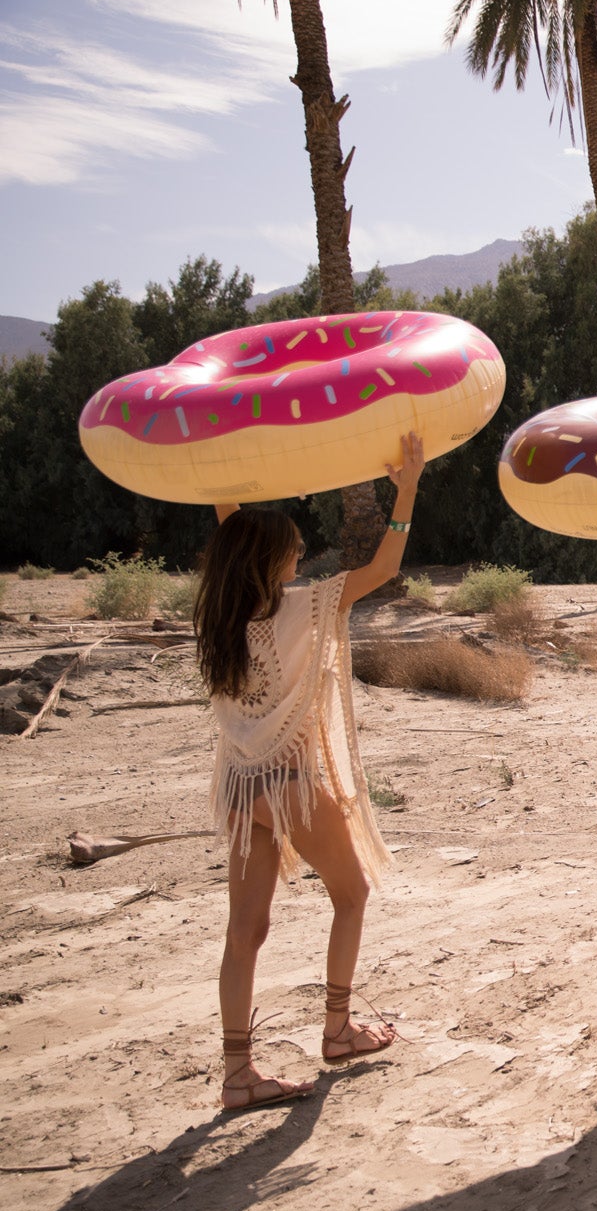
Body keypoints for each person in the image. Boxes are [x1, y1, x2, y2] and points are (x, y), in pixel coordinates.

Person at [198, 432, 423, 1111]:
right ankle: (338, 1028)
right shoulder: (302, 607)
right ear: (271, 558)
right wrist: (407, 486)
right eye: (293, 547)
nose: (301, 553)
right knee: (351, 894)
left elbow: (232, 528)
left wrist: (215, 469)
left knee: (246, 932)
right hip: (292, 784)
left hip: (243, 788)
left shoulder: (221, 616)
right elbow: (384, 568)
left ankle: (239, 1074)